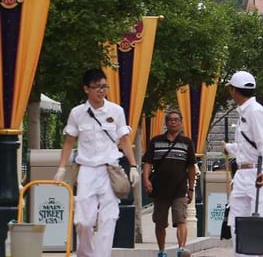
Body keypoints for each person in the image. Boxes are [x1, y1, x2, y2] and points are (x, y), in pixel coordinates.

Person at [54, 69, 140, 257]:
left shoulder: (116, 111)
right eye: (97, 87)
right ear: (86, 89)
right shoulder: (77, 113)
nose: (101, 91)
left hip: (110, 169)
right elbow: (68, 142)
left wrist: (133, 166)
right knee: (84, 221)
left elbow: (124, 140)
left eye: (104, 87)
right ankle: (86, 253)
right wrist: (61, 168)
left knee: (109, 218)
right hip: (86, 170)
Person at [222, 70, 263, 257]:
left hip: (257, 175)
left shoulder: (255, 112)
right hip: (243, 175)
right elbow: (248, 148)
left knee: (259, 226)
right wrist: (229, 148)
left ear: (233, 90)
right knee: (237, 223)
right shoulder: (245, 113)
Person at [142, 108, 197, 257]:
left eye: (176, 120)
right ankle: (162, 251)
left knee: (181, 219)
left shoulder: (187, 142)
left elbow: (191, 167)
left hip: (179, 188)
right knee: (160, 222)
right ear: (166, 123)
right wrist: (146, 179)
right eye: (170, 120)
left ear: (181, 123)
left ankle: (181, 249)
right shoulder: (156, 141)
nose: (173, 122)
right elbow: (148, 163)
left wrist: (191, 188)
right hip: (160, 189)